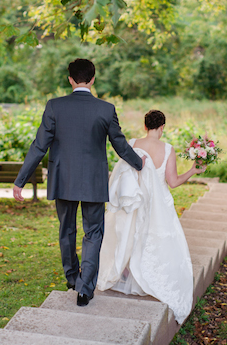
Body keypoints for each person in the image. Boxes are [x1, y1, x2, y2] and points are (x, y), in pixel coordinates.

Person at [12, 58, 145, 307]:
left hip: (63, 179)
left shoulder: (54, 107)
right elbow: (120, 145)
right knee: (94, 232)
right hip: (94, 180)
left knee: (67, 229)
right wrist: (139, 163)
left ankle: (73, 277)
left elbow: (39, 146)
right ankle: (85, 290)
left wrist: (21, 180)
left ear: (70, 79)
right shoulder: (106, 109)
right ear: (93, 79)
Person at [97, 110, 207, 324]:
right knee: (154, 237)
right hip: (157, 204)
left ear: (145, 126)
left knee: (129, 234)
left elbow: (120, 173)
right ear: (162, 127)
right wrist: (193, 170)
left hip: (134, 201)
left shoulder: (132, 143)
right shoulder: (168, 150)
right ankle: (146, 276)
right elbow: (173, 182)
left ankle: (127, 274)